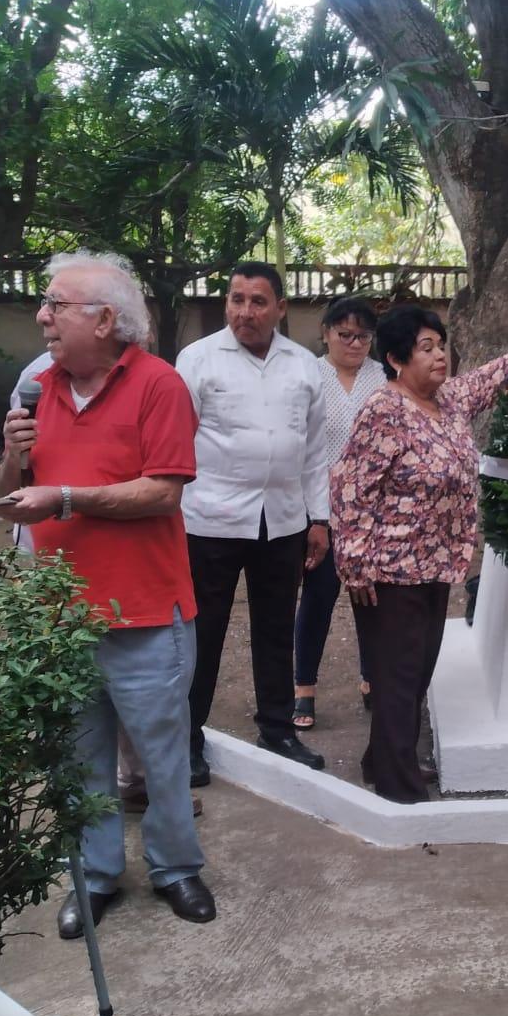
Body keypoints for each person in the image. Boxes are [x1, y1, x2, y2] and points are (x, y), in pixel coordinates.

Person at [0, 250, 213, 934]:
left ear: (106, 319)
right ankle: (94, 875)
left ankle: (177, 869)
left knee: (161, 756)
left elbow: (162, 490)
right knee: (79, 754)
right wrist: (12, 451)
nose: (43, 316)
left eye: (57, 304)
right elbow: (12, 485)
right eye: (45, 304)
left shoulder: (159, 385)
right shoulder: (37, 386)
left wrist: (64, 497)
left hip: (146, 611)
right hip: (61, 612)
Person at [332, 308, 508, 803]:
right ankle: (398, 786)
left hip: (434, 566)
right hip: (388, 571)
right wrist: (355, 563)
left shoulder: (447, 401)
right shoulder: (384, 410)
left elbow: (483, 382)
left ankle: (383, 758)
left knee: (414, 673)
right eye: (426, 347)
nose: (439, 356)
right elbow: (351, 487)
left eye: (440, 345)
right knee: (398, 676)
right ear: (395, 358)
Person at [175, 261, 330, 781]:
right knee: (204, 633)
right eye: (236, 299)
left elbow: (314, 452)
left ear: (280, 308)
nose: (245, 311)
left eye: (258, 301)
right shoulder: (196, 361)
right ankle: (187, 739)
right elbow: (175, 443)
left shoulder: (305, 366)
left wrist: (320, 519)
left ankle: (278, 729)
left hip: (282, 522)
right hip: (209, 519)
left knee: (274, 628)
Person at [292, 296, 385, 731]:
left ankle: (371, 678)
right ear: (326, 332)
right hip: (321, 508)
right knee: (318, 597)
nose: (353, 343)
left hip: (373, 512)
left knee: (372, 599)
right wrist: (316, 517)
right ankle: (303, 688)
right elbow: (304, 450)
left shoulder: (383, 378)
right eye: (344, 334)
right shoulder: (308, 375)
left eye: (363, 336)